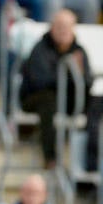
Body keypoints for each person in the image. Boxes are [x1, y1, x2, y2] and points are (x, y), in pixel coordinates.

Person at [19, 9, 91, 167]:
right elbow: (39, 81)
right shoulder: (40, 49)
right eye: (59, 26)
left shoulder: (79, 51)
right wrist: (67, 73)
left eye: (67, 26)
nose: (63, 30)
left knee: (96, 103)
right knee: (48, 101)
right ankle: (50, 157)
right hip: (37, 98)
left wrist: (78, 75)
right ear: (52, 28)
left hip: (69, 98)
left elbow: (87, 82)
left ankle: (90, 161)